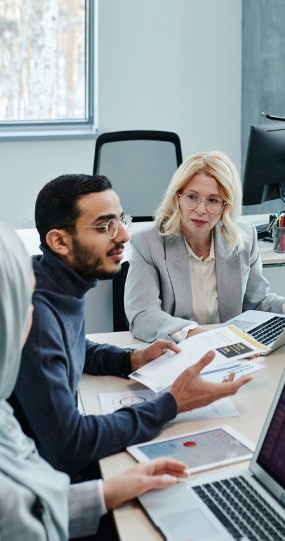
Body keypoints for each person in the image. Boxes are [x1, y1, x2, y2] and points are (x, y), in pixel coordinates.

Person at [0, 221, 230, 541]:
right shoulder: (44, 315)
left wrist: (106, 493)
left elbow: (21, 516)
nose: (122, 234)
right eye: (22, 303)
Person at [10, 174, 251, 480]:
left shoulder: (55, 279)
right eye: (104, 226)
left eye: (121, 219)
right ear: (59, 241)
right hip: (41, 487)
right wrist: (171, 404)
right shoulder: (38, 313)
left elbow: (71, 346)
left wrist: (130, 360)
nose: (123, 235)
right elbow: (70, 445)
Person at [125, 151, 285, 342]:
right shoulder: (148, 243)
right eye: (192, 197)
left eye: (213, 200)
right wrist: (196, 334)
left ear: (226, 206)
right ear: (177, 197)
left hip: (229, 352)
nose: (200, 210)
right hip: (175, 352)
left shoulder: (244, 238)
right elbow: (143, 315)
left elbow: (255, 302)